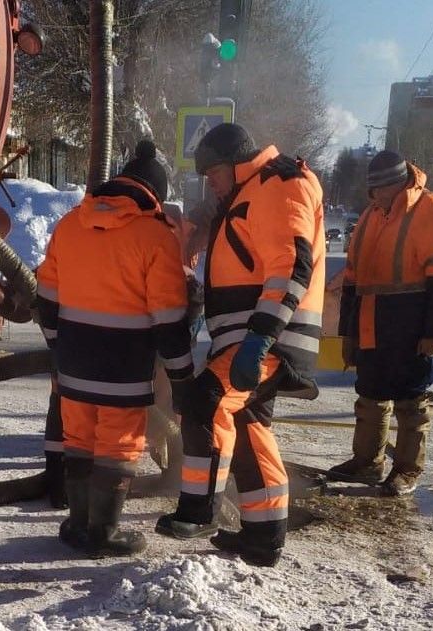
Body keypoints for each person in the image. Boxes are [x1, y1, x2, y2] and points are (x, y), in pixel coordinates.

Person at [155, 123, 326, 568]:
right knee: (249, 430)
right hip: (248, 336)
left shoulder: (278, 184)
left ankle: (199, 511)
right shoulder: (250, 191)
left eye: (213, 174)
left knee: (205, 401)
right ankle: (263, 536)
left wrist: (261, 338)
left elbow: (291, 266)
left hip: (267, 338)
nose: (210, 184)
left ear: (234, 165)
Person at [36, 140, 194, 557]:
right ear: (153, 195)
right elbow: (169, 318)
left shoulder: (70, 225)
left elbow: (46, 297)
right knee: (117, 443)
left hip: (73, 363)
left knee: (78, 437)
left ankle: (78, 524)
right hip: (124, 367)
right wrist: (181, 376)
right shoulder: (155, 236)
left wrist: (57, 346)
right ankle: (103, 532)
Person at [328, 150, 433, 496]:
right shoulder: (371, 215)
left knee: (411, 399)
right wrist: (347, 332)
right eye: (373, 191)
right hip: (371, 319)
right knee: (370, 393)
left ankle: (406, 470)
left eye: (383, 189)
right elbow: (353, 279)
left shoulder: (432, 210)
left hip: (410, 321)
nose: (378, 196)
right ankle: (367, 462)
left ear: (400, 183)